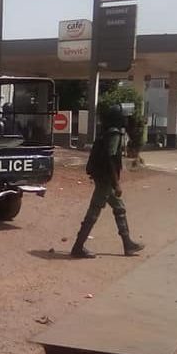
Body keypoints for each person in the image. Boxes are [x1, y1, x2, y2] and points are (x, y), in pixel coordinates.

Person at [70, 105, 144, 258]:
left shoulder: (106, 132)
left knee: (119, 208)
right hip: (106, 179)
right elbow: (111, 157)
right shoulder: (114, 134)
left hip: (103, 177)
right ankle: (78, 247)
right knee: (94, 211)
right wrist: (116, 182)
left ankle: (127, 244)